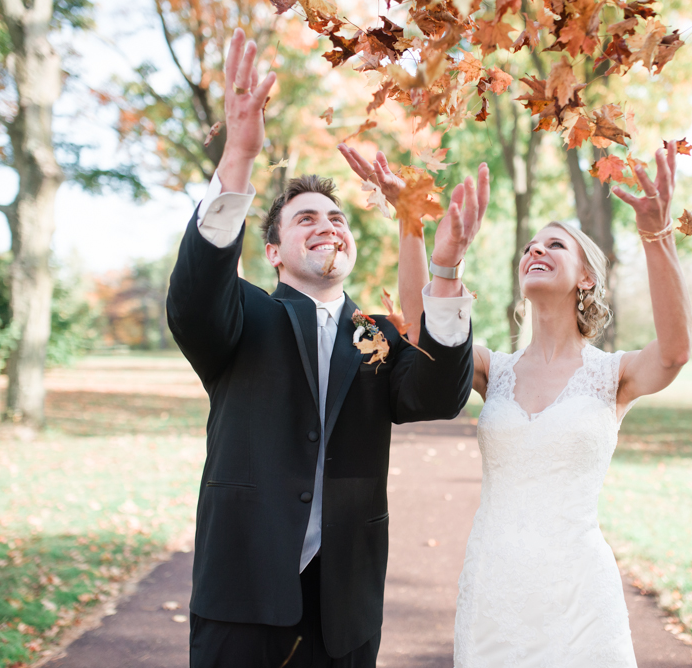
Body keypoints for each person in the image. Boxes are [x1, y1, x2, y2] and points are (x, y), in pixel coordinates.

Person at [167, 29, 489, 668]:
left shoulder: (373, 334)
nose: (327, 226)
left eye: (337, 218)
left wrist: (442, 265)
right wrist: (238, 157)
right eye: (305, 219)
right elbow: (195, 294)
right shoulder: (243, 316)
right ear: (274, 252)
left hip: (345, 603)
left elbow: (436, 393)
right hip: (243, 595)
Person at [353, 141, 691, 666]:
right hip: (495, 588)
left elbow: (674, 353)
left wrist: (655, 234)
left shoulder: (613, 375)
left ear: (586, 277)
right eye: (530, 246)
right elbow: (424, 331)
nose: (534, 251)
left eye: (553, 245)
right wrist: (412, 225)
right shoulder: (495, 370)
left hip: (580, 596)